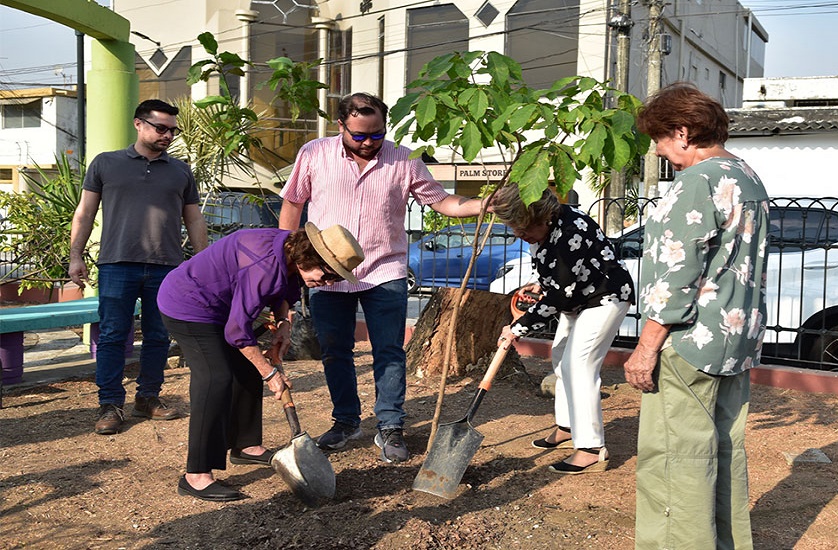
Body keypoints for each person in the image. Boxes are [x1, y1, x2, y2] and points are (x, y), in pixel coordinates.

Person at [278, 92, 482, 463]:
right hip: (328, 271)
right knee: (335, 350)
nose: (370, 143)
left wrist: (481, 204)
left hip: (385, 270)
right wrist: (289, 256)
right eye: (359, 135)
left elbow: (441, 201)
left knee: (388, 351)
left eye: (377, 134)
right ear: (340, 125)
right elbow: (293, 203)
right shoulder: (314, 154)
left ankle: (390, 425)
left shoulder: (403, 159)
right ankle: (346, 422)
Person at [624, 82, 769, 549]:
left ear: (682, 132)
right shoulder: (747, 175)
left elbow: (676, 271)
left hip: (688, 340)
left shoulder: (697, 181)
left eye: (660, 140)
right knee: (725, 451)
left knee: (675, 458)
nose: (661, 152)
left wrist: (646, 347)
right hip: (735, 338)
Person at [157, 223, 365, 502]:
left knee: (245, 369)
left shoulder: (288, 250)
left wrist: (283, 324)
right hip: (188, 303)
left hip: (222, 307)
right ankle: (196, 475)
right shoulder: (264, 263)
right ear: (309, 258)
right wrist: (271, 374)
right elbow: (236, 332)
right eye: (327, 275)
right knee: (215, 378)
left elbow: (282, 290)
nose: (328, 283)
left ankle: (246, 445)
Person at [70, 99, 208, 436]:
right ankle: (110, 403)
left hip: (167, 267)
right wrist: (75, 255)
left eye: (172, 130)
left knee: (159, 336)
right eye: (161, 128)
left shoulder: (180, 171)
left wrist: (205, 263)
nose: (168, 135)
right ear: (138, 124)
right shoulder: (106, 163)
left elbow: (194, 218)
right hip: (117, 263)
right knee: (115, 335)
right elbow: (85, 213)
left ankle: (147, 398)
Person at [491, 184, 634, 474]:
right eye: (514, 228)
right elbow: (551, 270)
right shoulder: (547, 226)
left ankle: (591, 449)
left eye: (524, 228)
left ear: (542, 217)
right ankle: (569, 428)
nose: (519, 234)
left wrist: (518, 329)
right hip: (578, 299)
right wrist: (538, 282)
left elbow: (558, 295)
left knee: (579, 366)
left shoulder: (570, 233)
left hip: (604, 298)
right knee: (560, 358)